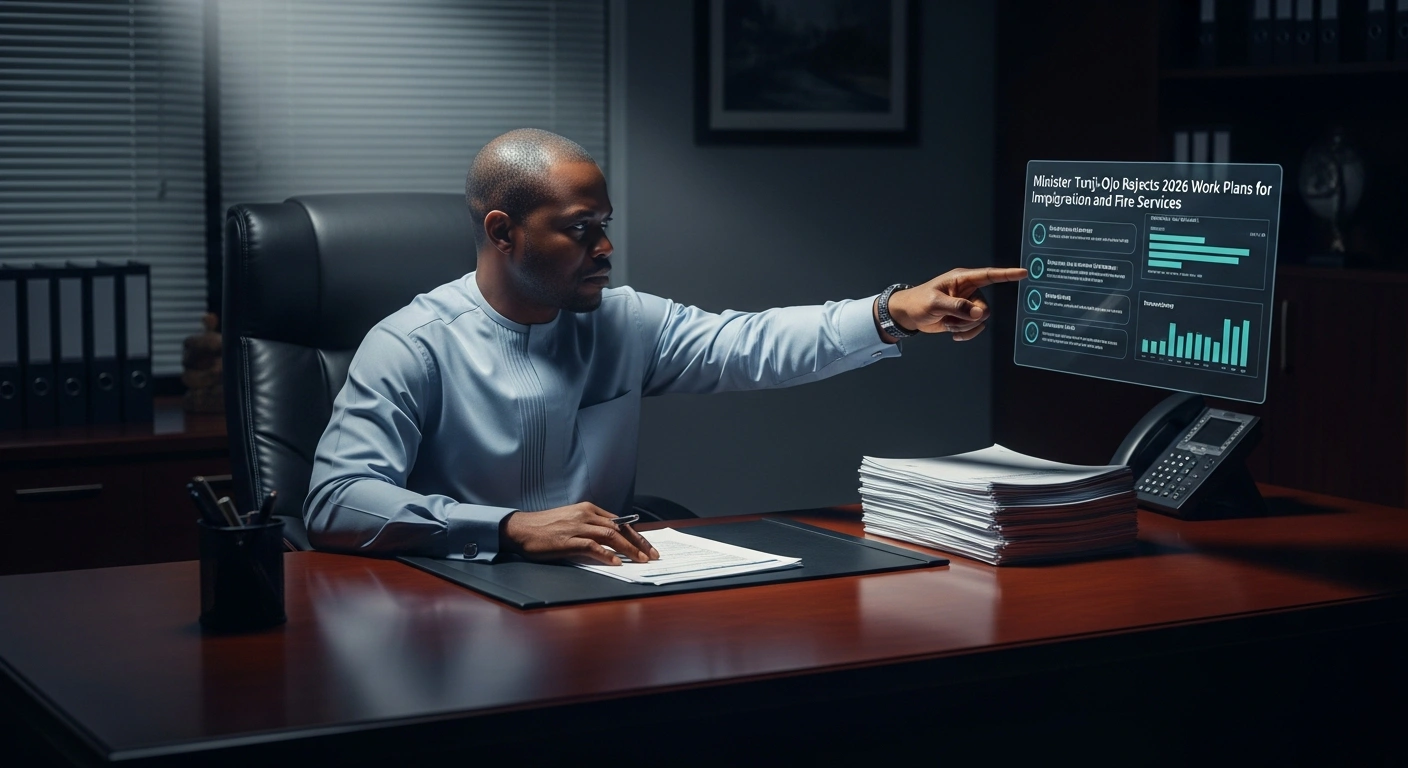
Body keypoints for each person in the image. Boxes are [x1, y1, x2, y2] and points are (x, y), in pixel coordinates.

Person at [303, 128, 1026, 567]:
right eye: (580, 229)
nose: (606, 248)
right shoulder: (409, 345)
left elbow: (750, 344)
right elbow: (337, 501)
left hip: (605, 587)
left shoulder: (622, 321)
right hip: (455, 596)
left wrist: (891, 312)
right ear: (502, 232)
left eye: (607, 224)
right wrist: (511, 529)